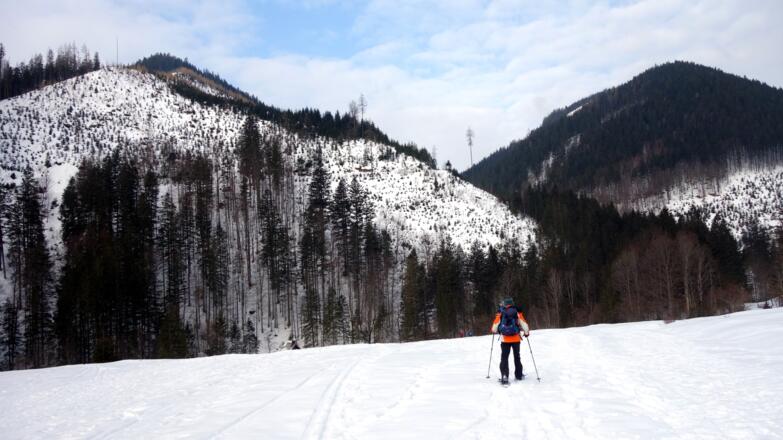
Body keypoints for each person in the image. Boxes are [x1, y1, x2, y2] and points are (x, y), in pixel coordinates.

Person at [490, 297, 530, 383]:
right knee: (517, 357)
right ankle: (519, 375)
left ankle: (504, 376)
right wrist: (526, 333)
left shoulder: (501, 312)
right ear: (512, 303)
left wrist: (494, 330)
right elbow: (524, 324)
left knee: (504, 357)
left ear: (504, 304)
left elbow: (494, 327)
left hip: (505, 340)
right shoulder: (517, 311)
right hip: (516, 339)